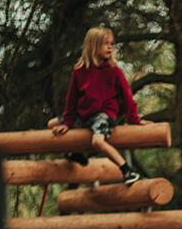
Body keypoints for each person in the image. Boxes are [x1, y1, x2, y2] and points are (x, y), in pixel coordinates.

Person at [48, 26, 147, 185]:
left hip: (103, 114)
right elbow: (71, 99)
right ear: (93, 46)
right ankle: (75, 154)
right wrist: (67, 123)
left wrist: (134, 118)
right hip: (83, 115)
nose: (110, 47)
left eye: (112, 44)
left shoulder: (114, 71)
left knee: (97, 142)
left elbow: (128, 97)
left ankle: (127, 170)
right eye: (105, 43)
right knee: (51, 124)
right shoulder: (79, 70)